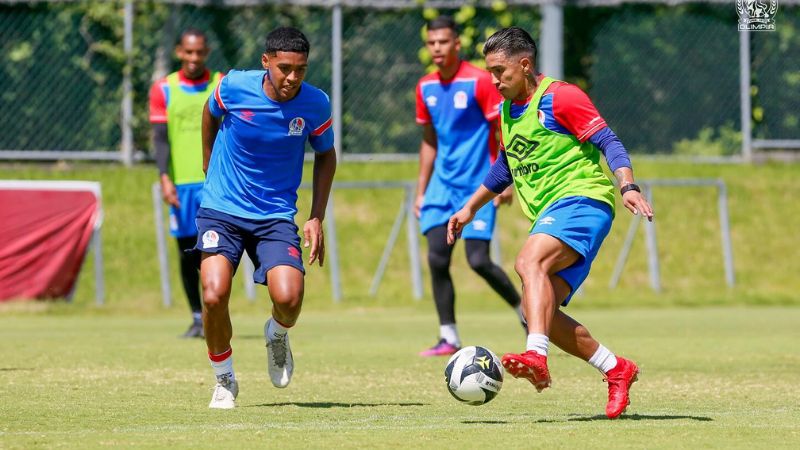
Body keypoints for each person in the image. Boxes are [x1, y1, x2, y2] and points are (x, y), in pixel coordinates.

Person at [447, 27, 654, 419]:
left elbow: (609, 141)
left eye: (499, 71)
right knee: (537, 311)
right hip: (551, 213)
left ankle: (536, 355)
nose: (493, 80)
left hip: (583, 200)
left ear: (524, 65)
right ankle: (616, 369)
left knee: (528, 263)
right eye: (489, 71)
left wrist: (628, 185)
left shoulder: (562, 97)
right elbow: (506, 166)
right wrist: (469, 209)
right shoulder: (508, 109)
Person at [197, 27, 336, 409]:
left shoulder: (315, 104)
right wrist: (208, 162)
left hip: (274, 216)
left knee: (289, 299)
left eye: (301, 70)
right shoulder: (234, 86)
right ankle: (224, 379)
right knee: (213, 294)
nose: (292, 78)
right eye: (285, 68)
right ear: (266, 61)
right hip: (222, 209)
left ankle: (276, 333)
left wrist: (316, 216)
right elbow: (209, 113)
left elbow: (327, 154)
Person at [414, 16, 523, 357]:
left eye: (443, 42)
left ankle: (525, 311)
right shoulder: (425, 87)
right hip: (440, 189)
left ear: (456, 44)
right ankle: (448, 336)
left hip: (478, 185)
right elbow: (429, 141)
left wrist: (504, 181)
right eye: (432, 42)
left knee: (477, 260)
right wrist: (421, 190)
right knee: (436, 258)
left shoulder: (479, 81)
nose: (437, 48)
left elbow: (501, 129)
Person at [149, 28, 223, 338]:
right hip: (182, 185)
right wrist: (165, 178)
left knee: (215, 251)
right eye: (188, 52)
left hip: (215, 182)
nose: (194, 58)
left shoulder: (220, 84)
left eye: (199, 53)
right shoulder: (164, 89)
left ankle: (216, 310)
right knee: (187, 253)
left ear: (206, 53)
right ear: (180, 52)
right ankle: (197, 316)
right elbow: (160, 139)